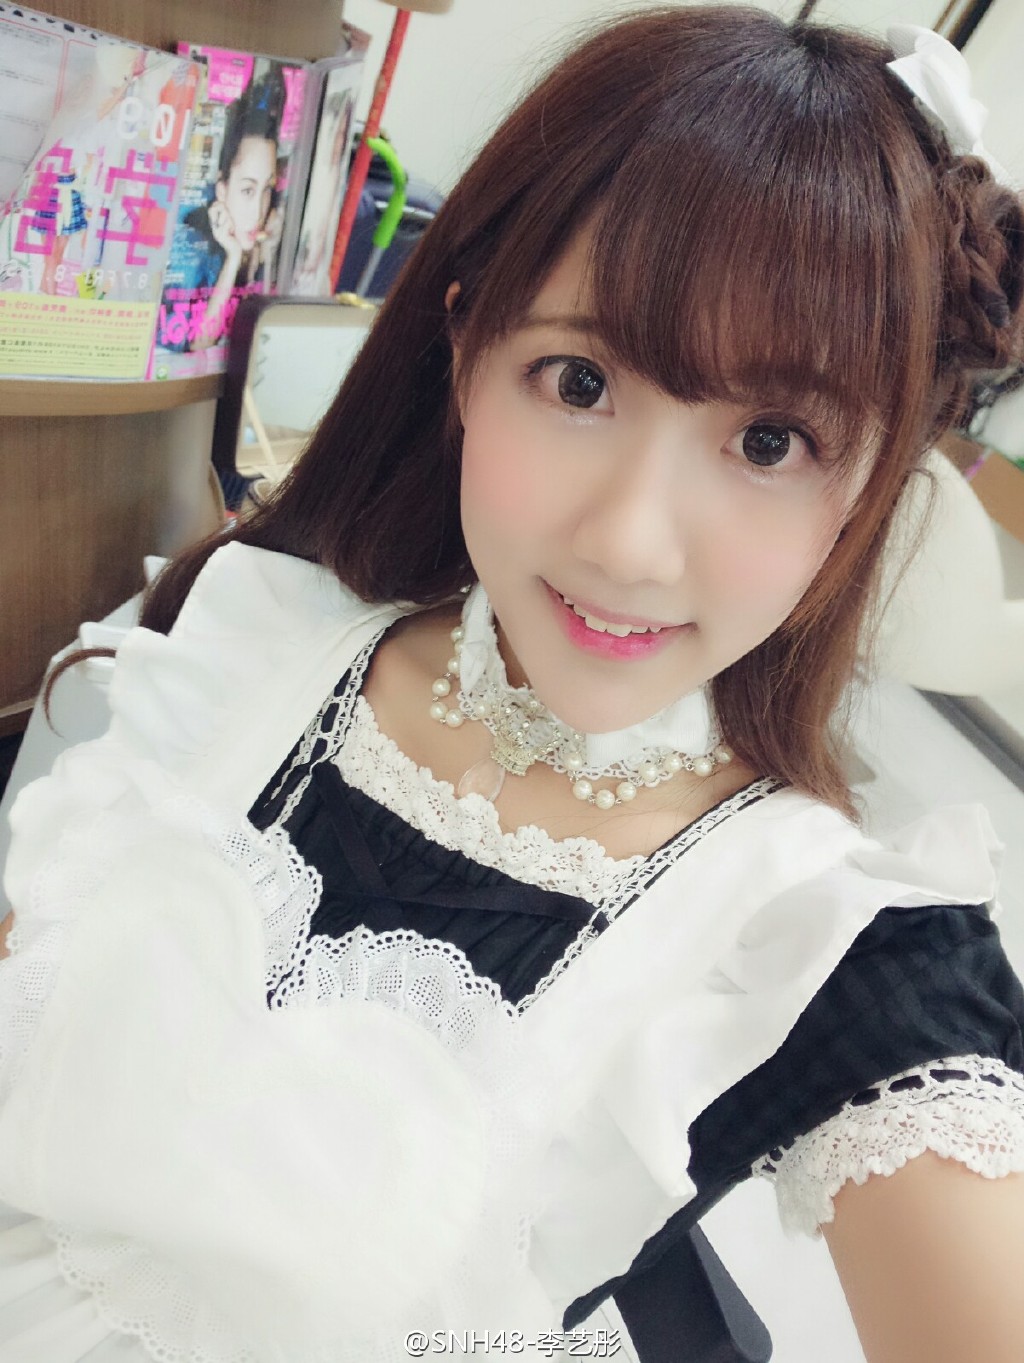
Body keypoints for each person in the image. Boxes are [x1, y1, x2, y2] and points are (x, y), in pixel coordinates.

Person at [2, 8, 1024, 1361]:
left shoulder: (814, 937)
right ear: (465, 347)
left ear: (874, 480)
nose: (630, 543)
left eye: (771, 440)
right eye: (579, 380)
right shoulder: (255, 628)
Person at [161, 66, 286, 351]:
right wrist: (233, 258)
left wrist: (265, 258)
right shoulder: (191, 250)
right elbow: (200, 343)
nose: (258, 211)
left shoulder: (266, 238)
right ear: (221, 189)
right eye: (247, 190)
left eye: (267, 189)